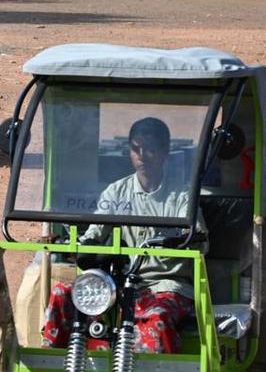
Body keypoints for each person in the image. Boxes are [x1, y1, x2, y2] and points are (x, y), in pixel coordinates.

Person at [42, 117, 204, 354]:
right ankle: (53, 363)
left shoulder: (182, 197)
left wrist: (180, 240)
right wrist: (70, 245)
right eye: (136, 149)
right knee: (62, 293)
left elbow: (197, 240)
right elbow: (95, 236)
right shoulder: (116, 192)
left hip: (166, 285)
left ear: (165, 151)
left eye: (150, 149)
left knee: (156, 318)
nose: (142, 156)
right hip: (119, 284)